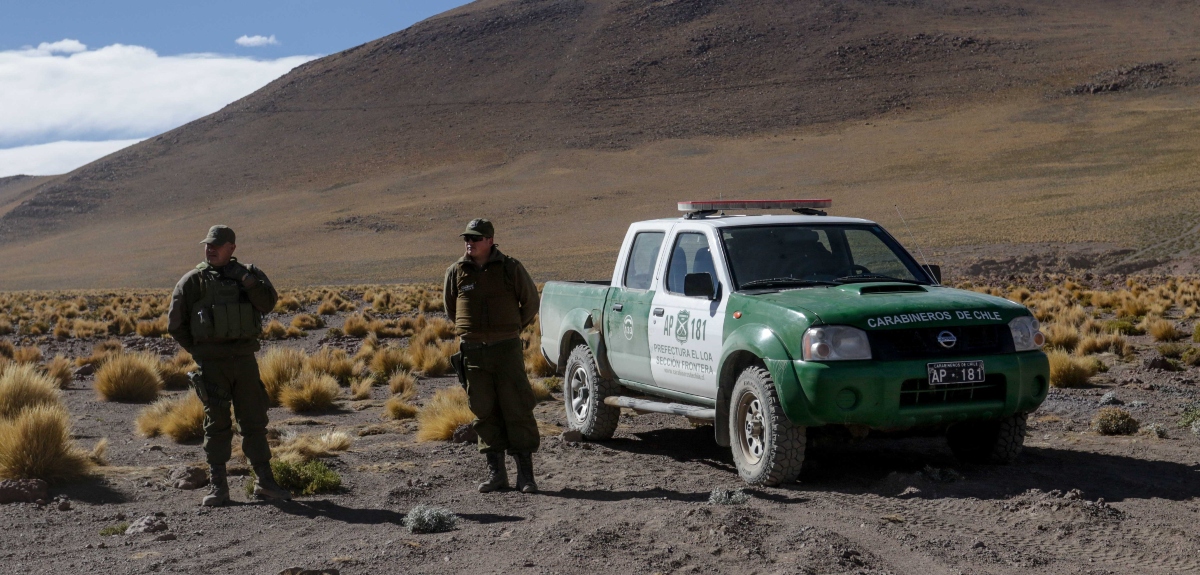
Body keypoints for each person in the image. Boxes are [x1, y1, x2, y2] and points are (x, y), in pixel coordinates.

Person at [167, 225, 292, 506]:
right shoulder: (193, 281)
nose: (210, 249)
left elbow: (268, 304)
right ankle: (218, 487)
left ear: (231, 248)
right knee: (216, 424)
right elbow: (175, 324)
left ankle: (265, 483)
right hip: (213, 365)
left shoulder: (249, 275)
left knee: (254, 421)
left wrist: (246, 280)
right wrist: (199, 351)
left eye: (217, 244)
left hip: (245, 362)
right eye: (208, 244)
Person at [443, 218, 542, 493]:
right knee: (483, 410)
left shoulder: (511, 268)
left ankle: (526, 477)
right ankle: (497, 474)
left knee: (517, 407)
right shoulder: (456, 271)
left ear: (490, 240)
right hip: (473, 353)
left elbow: (530, 302)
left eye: (475, 238)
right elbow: (451, 308)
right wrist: (473, 332)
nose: (470, 242)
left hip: (506, 350)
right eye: (467, 238)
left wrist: (510, 328)